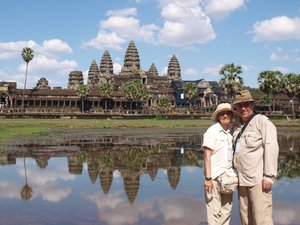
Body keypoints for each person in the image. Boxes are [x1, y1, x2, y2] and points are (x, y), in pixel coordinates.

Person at [232, 89, 279, 225]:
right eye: (240, 105)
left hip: (258, 180)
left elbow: (271, 148)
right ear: (236, 108)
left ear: (252, 105)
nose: (243, 108)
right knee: (246, 219)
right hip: (241, 180)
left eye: (246, 104)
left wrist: (268, 176)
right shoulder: (236, 126)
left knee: (261, 219)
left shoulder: (262, 122)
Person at [202, 103, 237, 225]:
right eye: (222, 113)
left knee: (226, 211)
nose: (225, 115)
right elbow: (207, 156)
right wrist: (208, 178)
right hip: (214, 178)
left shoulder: (232, 132)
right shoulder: (212, 131)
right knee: (214, 212)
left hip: (229, 177)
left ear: (232, 116)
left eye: (228, 113)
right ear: (218, 116)